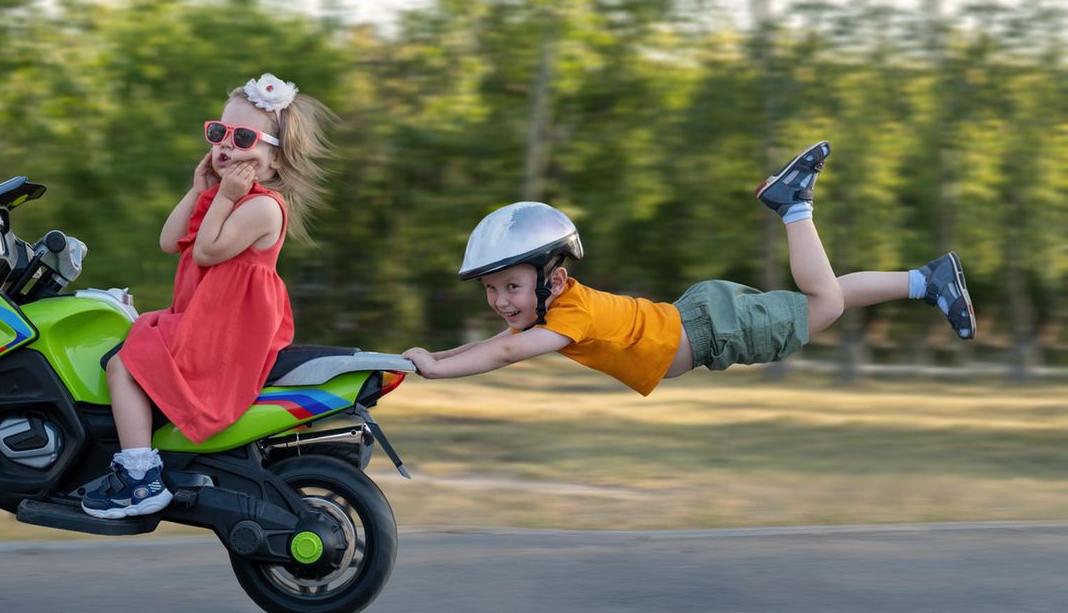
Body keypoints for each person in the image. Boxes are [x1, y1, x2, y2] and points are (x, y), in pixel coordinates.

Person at [401, 142, 976, 392]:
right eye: (493, 290)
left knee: (822, 304)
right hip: (698, 316)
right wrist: (427, 359)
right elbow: (495, 340)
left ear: (551, 278)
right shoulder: (552, 311)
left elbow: (501, 353)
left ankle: (795, 204)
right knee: (820, 300)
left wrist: (437, 370)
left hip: (709, 330)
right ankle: (928, 281)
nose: (502, 301)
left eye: (511, 287)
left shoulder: (565, 318)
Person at [82, 73, 335, 519]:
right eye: (218, 134)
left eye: (242, 138)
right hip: (205, 317)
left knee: (125, 364)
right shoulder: (225, 196)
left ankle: (140, 478)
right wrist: (200, 189)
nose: (224, 147)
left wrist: (224, 196)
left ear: (273, 162)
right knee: (128, 340)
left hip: (227, 331)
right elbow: (169, 241)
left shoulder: (262, 206)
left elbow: (206, 249)